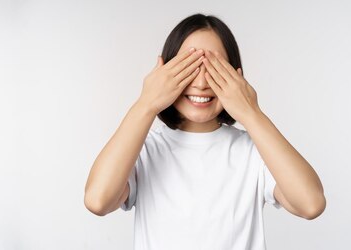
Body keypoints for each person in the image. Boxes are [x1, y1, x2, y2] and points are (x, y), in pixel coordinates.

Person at [84, 13, 326, 250]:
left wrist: (252, 113)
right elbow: (98, 200)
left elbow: (311, 204)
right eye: (188, 67)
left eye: (214, 68)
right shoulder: (143, 150)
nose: (201, 83)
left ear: (235, 76)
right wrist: (146, 104)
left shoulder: (253, 152)